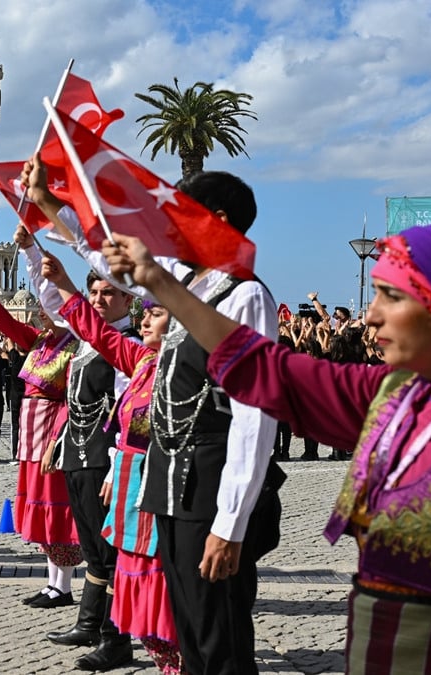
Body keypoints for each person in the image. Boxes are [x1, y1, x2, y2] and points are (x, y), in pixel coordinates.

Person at [108, 223, 431, 673]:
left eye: (391, 296)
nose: (371, 316)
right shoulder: (389, 395)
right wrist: (160, 283)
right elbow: (267, 369)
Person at [25, 159, 280, 675]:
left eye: (179, 213)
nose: (167, 226)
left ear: (218, 219)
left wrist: (231, 523)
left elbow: (255, 416)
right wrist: (49, 204)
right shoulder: (188, 286)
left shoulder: (245, 296)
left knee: (219, 632)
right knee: (190, 627)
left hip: (210, 482)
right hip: (171, 484)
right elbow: (111, 259)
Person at [42, 252, 184, 673]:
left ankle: (168, 644)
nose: (144, 320)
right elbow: (95, 332)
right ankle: (113, 636)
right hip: (125, 474)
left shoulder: (184, 370)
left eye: (155, 314)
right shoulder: (142, 361)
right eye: (146, 313)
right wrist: (63, 280)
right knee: (118, 560)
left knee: (151, 568)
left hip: (158, 482)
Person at [23, 234, 139, 671]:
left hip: (103, 456)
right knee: (91, 544)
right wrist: (33, 254)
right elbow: (53, 300)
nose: (100, 299)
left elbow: (127, 411)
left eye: (109, 293)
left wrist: (116, 466)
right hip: (75, 451)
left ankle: (115, 637)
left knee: (108, 549)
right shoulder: (87, 338)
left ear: (128, 299)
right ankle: (90, 622)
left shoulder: (127, 345)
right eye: (94, 293)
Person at [0, 261, 82, 607]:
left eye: (48, 307)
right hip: (31, 437)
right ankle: (52, 583)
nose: (41, 313)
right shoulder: (39, 341)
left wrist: (56, 442)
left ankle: (64, 586)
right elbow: (4, 321)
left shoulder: (74, 349)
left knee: (56, 507)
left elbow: (71, 401)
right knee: (40, 508)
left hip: (52, 436)